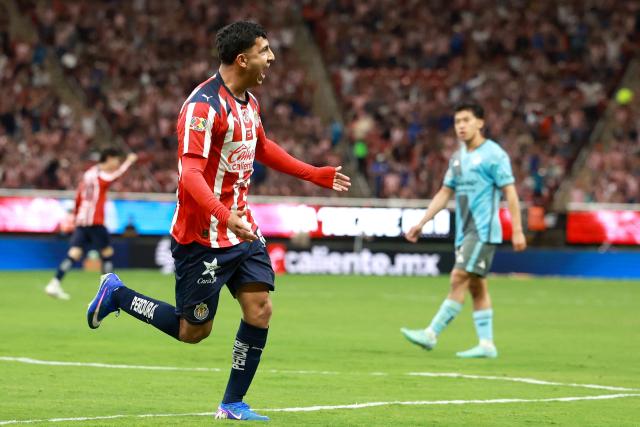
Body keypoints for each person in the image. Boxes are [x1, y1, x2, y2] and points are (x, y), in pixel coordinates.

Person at [85, 21, 350, 422]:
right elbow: (190, 176)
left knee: (260, 308)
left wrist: (315, 174)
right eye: (265, 50)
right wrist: (226, 216)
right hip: (202, 237)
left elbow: (262, 147)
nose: (272, 58)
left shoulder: (248, 102)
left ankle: (232, 404)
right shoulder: (202, 108)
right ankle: (117, 294)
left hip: (241, 229)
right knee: (194, 331)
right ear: (242, 59)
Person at [401, 102, 526, 358]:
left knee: (458, 277)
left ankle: (431, 333)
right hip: (464, 231)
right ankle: (487, 345)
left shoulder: (494, 154)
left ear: (480, 123)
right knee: (476, 287)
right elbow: (444, 192)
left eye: (466, 120)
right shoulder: (457, 158)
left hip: (482, 230)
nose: (461, 126)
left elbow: (510, 192)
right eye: (457, 121)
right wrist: (422, 222)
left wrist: (518, 229)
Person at [45, 148, 137, 300]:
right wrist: (129, 162)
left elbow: (79, 196)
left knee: (74, 253)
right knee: (107, 253)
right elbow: (115, 176)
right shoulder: (100, 176)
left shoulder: (88, 174)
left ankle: (54, 284)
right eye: (116, 160)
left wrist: (76, 215)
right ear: (108, 158)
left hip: (82, 221)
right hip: (94, 221)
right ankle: (109, 292)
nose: (116, 164)